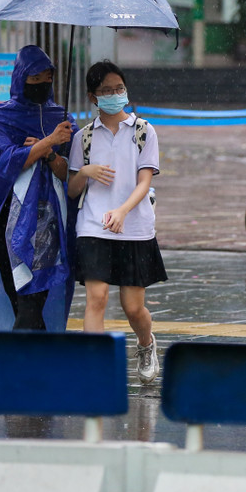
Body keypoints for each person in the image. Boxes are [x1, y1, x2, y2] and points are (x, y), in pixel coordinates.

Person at [0, 45, 78, 332]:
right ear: (21, 79)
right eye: (35, 79)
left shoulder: (62, 119)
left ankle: (21, 364)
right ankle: (32, 362)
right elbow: (3, 164)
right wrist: (47, 143)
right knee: (19, 299)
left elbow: (67, 172)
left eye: (47, 78)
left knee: (32, 302)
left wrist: (46, 150)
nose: (42, 85)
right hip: (8, 219)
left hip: (46, 219)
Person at [67, 60, 166, 384]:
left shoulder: (143, 131)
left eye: (118, 88)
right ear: (93, 97)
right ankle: (94, 367)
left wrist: (123, 211)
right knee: (96, 298)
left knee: (133, 307)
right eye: (106, 91)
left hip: (134, 227)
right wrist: (84, 171)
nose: (114, 95)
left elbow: (144, 181)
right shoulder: (83, 138)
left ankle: (146, 344)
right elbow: (72, 189)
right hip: (94, 224)